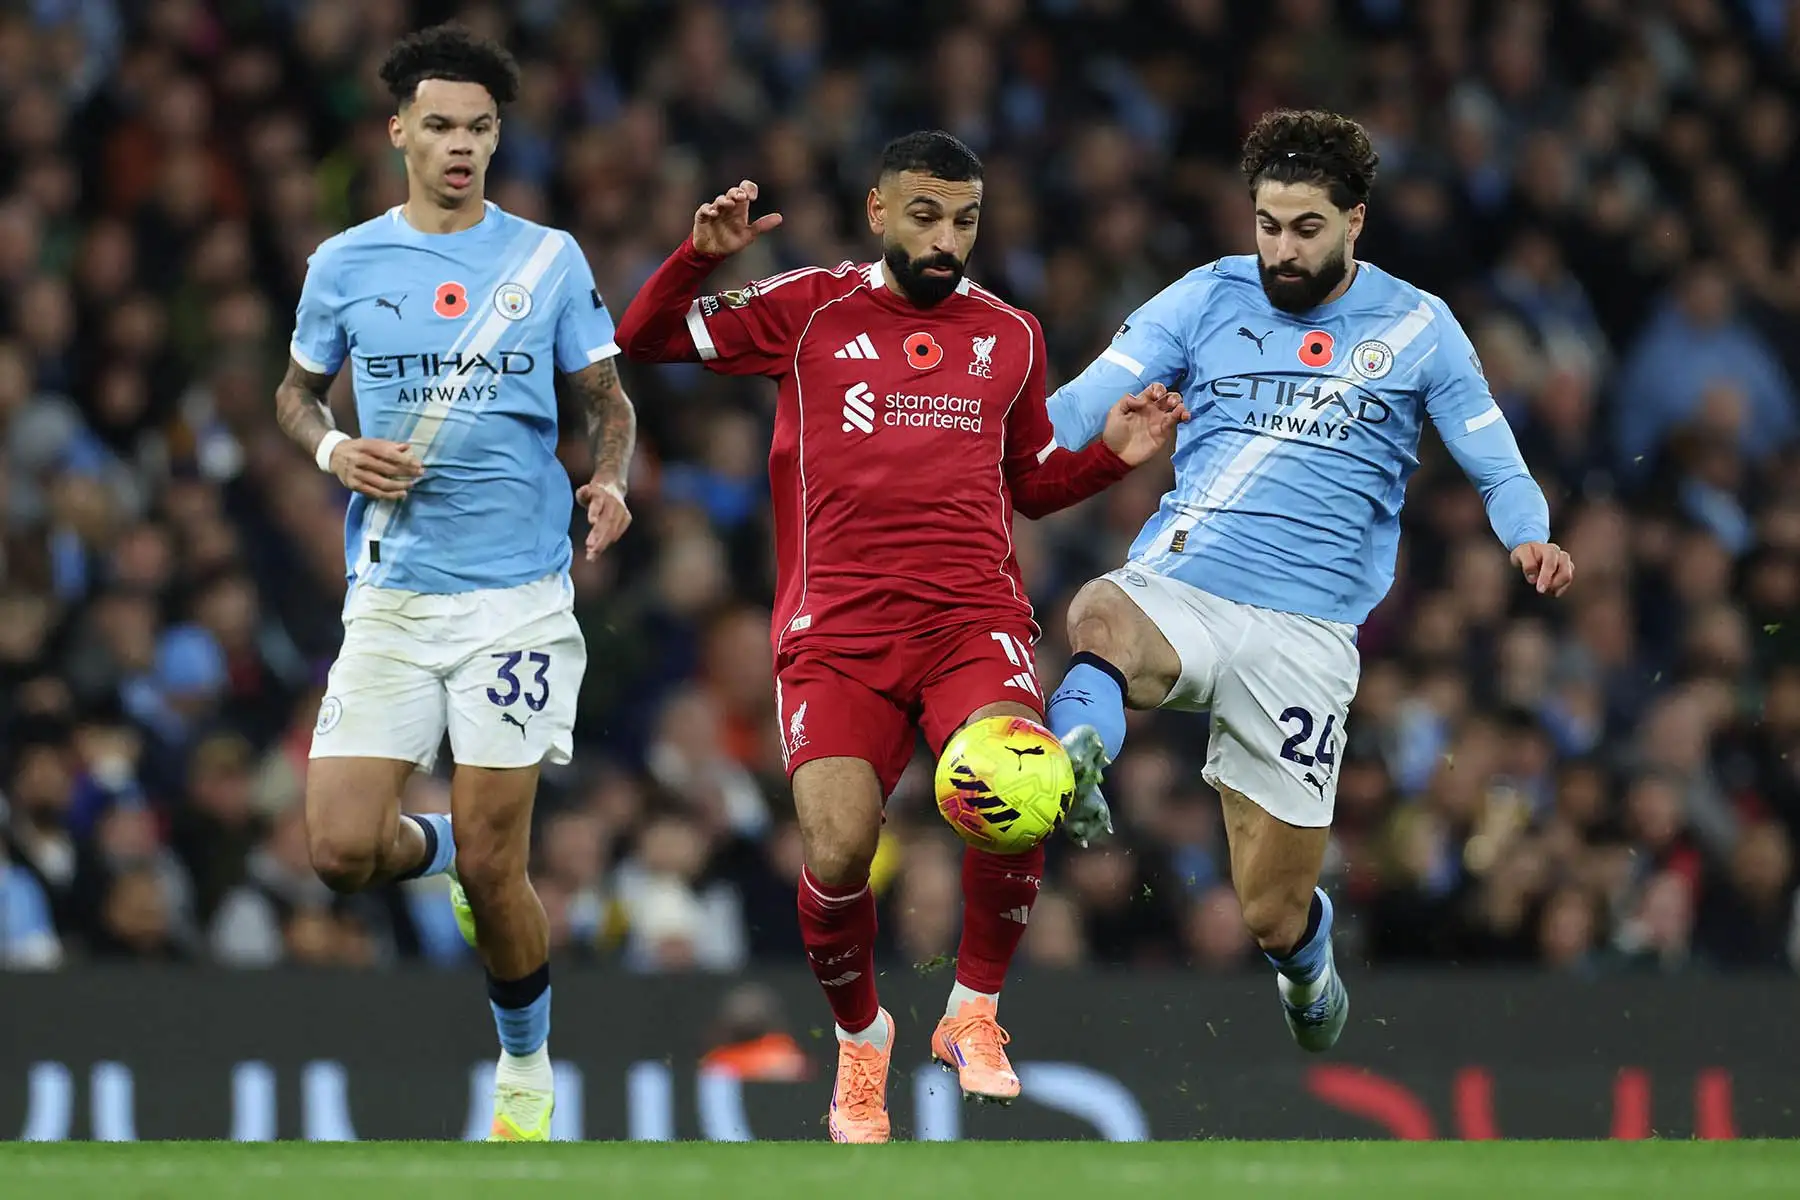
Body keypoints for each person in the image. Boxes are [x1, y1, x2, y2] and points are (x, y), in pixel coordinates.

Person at [616, 130, 1184, 1142]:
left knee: (1018, 785)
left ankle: (974, 1012)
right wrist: (702, 253)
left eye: (964, 220)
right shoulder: (810, 309)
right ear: (879, 212)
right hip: (835, 631)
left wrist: (1111, 456)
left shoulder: (1009, 335)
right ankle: (860, 1043)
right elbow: (645, 335)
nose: (946, 238)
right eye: (925, 215)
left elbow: (1030, 486)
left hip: (972, 619)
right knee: (837, 855)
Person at [1042, 109, 1575, 1051]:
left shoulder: (1420, 326)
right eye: (1266, 225)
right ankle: (1076, 747)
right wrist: (972, 457)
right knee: (1098, 608)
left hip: (1306, 639)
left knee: (1269, 911)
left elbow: (1495, 461)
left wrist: (1528, 536)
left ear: (1355, 220)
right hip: (1188, 587)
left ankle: (1306, 958)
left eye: (1306, 230)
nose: (1281, 251)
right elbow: (1081, 402)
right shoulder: (1206, 296)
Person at [274, 25, 636, 1141]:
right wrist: (335, 451)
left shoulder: (547, 259)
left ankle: (524, 1072)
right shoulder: (343, 264)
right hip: (390, 592)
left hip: (516, 600)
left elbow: (606, 407)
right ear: (399, 134)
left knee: (496, 866)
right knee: (338, 853)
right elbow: (293, 396)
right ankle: (430, 841)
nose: (461, 145)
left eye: (480, 127)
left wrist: (611, 483)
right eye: (440, 125)